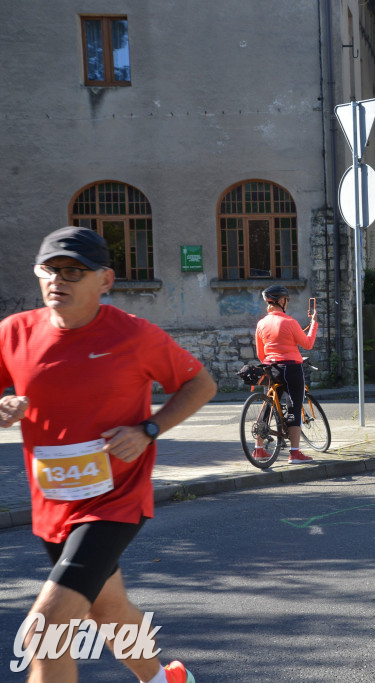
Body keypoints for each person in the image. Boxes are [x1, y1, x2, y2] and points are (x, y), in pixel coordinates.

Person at [0, 227, 216, 683]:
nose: (58, 280)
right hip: (53, 503)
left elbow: (200, 383)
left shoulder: (134, 336)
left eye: (73, 271)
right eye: (50, 269)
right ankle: (165, 679)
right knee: (108, 607)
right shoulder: (14, 333)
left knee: (47, 630)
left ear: (105, 280)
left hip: (115, 499)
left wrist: (148, 429)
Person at [255, 284, 320, 463]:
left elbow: (261, 353)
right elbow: (307, 344)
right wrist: (314, 323)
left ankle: (258, 449)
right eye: (286, 300)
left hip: (271, 367)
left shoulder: (261, 324)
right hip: (291, 368)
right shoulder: (290, 322)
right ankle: (295, 452)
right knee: (294, 406)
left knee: (268, 405)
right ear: (281, 301)